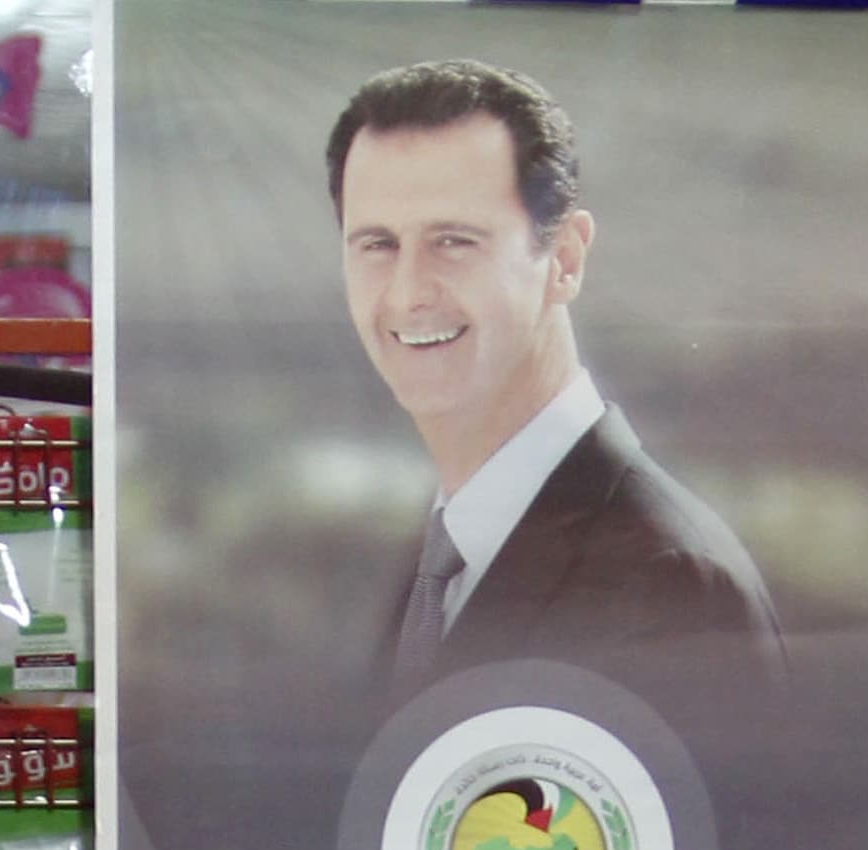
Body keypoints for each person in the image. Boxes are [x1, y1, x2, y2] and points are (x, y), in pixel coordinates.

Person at [326, 58, 784, 698]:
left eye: (454, 241)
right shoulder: (434, 568)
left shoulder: (671, 583)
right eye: (377, 245)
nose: (407, 294)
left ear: (564, 260)